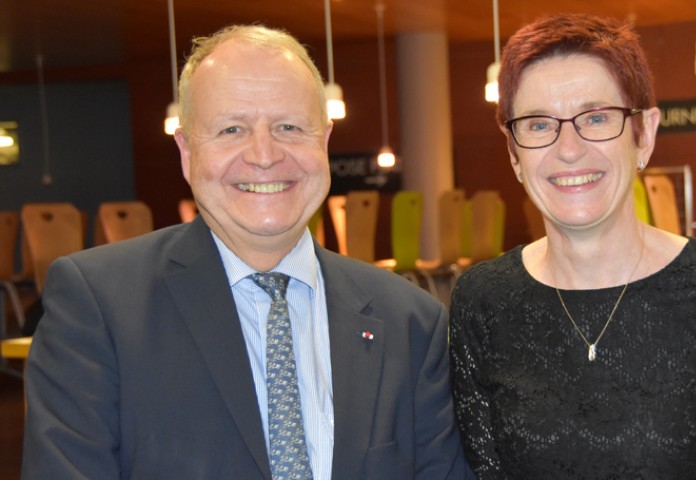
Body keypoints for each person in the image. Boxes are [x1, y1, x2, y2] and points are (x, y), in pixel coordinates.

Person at [22, 24, 472, 480]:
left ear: (325, 142)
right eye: (232, 128)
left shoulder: (411, 320)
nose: (263, 154)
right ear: (186, 151)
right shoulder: (98, 306)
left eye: (289, 127)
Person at [449, 13, 696, 479]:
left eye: (596, 118)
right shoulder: (481, 302)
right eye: (538, 125)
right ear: (514, 153)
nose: (569, 148)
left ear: (645, 135)